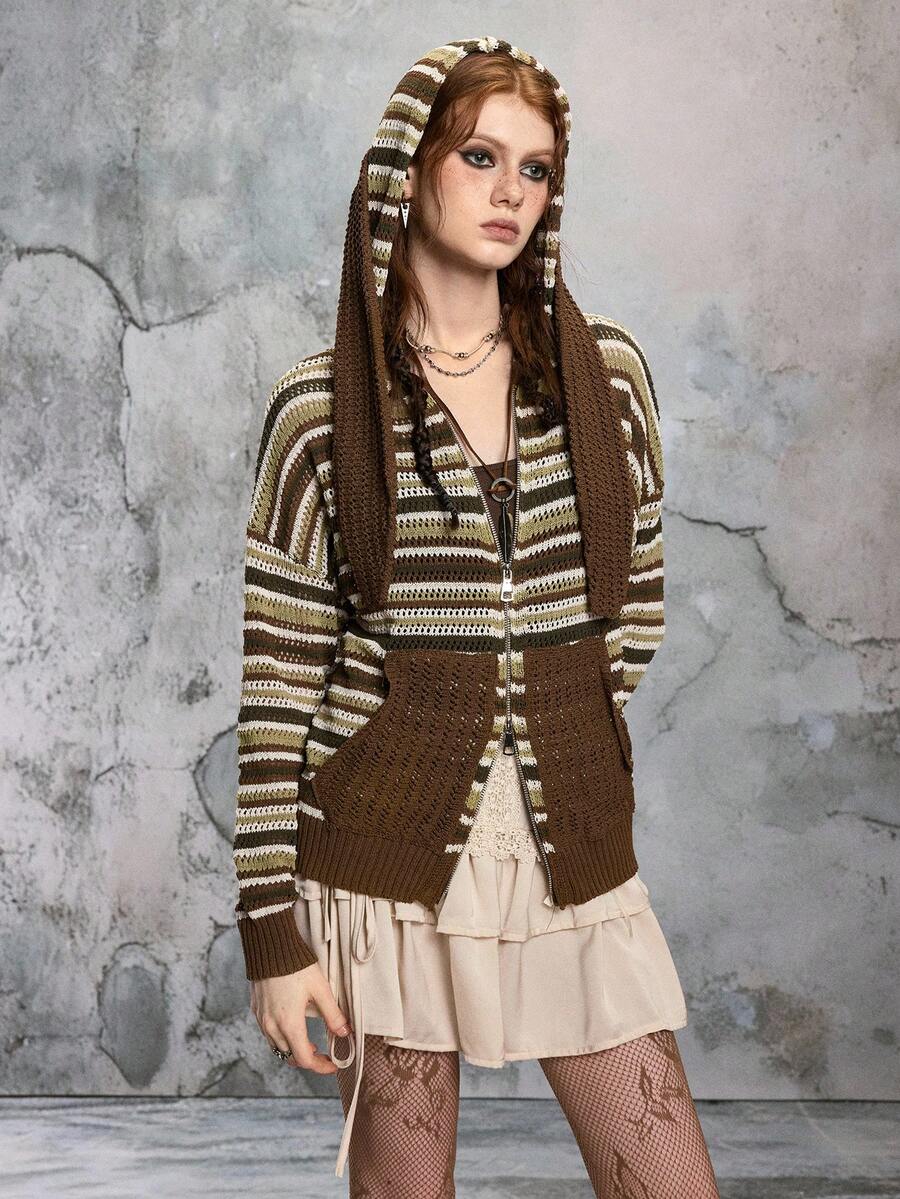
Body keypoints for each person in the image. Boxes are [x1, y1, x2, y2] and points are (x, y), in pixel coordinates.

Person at [232, 36, 721, 1197]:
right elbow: (278, 686)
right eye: (481, 157)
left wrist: (545, 717)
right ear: (409, 173)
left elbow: (633, 613)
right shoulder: (319, 409)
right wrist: (272, 933)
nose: (511, 192)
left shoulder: (605, 378)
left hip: (570, 844)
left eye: (537, 169)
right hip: (378, 864)